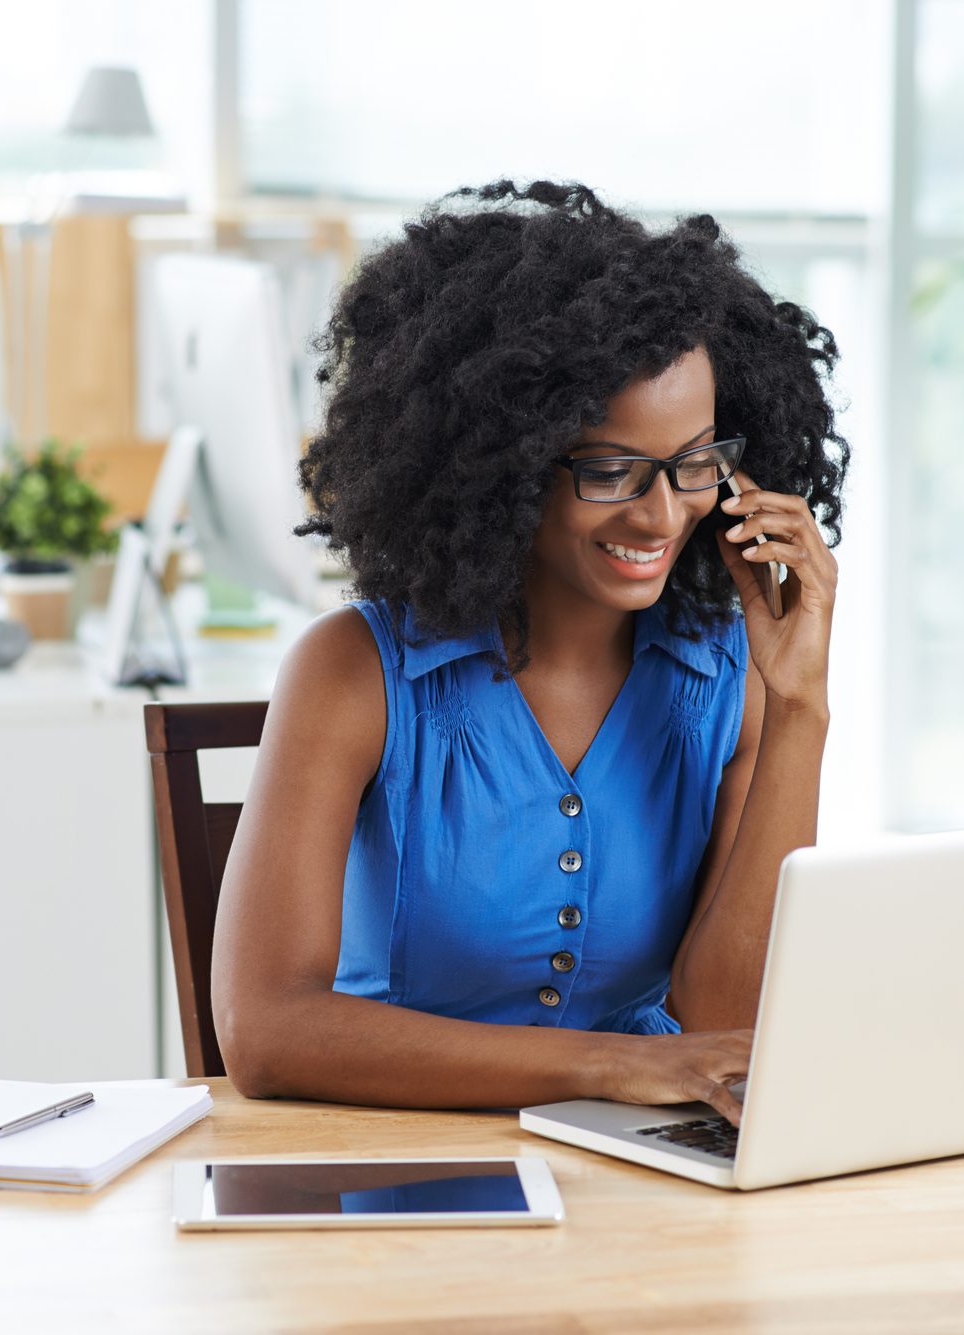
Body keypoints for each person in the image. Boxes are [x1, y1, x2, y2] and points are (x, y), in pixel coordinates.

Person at [212, 180, 849, 1123]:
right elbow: (266, 1030)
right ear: (502, 463)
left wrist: (800, 706)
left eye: (696, 464)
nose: (661, 514)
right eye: (612, 470)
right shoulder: (354, 673)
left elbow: (728, 1025)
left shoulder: (729, 677)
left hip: (639, 1166)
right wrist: (611, 1063)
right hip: (397, 1159)